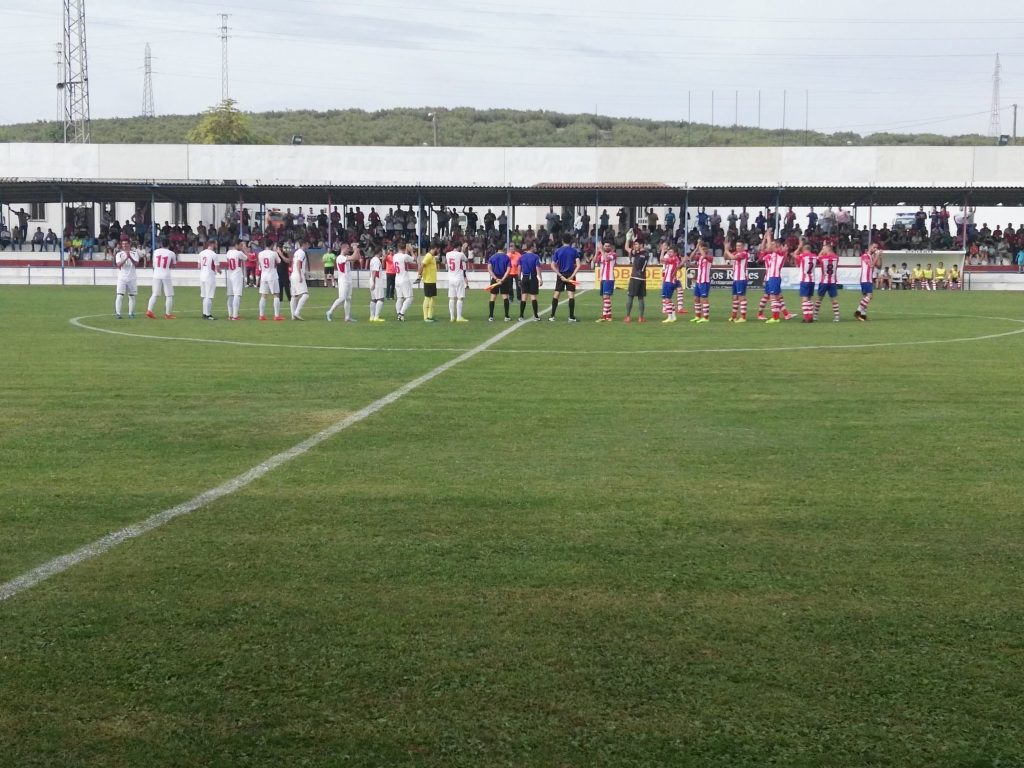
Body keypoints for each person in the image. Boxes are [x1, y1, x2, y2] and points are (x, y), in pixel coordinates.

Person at [549, 233, 581, 322]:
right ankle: (571, 316)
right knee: (571, 295)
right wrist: (572, 276)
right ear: (571, 241)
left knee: (556, 294)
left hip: (561, 275)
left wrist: (560, 275)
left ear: (562, 241)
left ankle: (552, 316)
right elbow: (578, 265)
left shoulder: (558, 251)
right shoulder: (574, 251)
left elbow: (552, 265)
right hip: (570, 274)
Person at [145, 239, 177, 319]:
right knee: (169, 295)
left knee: (155, 294)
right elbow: (173, 265)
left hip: (156, 274)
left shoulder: (156, 251)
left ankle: (149, 310)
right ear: (169, 245)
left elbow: (154, 264)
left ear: (161, 244)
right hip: (166, 274)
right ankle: (168, 314)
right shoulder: (171, 253)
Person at [327, 244, 358, 323]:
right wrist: (355, 248)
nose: (348, 250)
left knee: (348, 299)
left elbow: (357, 257)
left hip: (348, 280)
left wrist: (356, 249)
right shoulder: (340, 258)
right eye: (347, 248)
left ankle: (347, 317)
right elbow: (354, 257)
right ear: (343, 249)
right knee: (342, 298)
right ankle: (330, 312)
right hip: (343, 280)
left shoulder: (345, 257)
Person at [760, 235, 787, 324]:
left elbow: (771, 248)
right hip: (771, 277)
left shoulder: (781, 252)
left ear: (777, 245)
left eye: (773, 244)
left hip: (774, 277)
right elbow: (765, 250)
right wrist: (766, 239)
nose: (771, 246)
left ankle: (775, 318)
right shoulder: (772, 254)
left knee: (773, 297)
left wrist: (768, 237)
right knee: (775, 297)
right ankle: (780, 315)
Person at [813, 242, 840, 323]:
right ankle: (837, 316)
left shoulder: (822, 258)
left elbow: (818, 257)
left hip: (824, 281)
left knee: (819, 299)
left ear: (827, 249)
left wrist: (822, 251)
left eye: (824, 249)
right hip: (832, 282)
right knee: (834, 300)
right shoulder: (836, 258)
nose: (822, 250)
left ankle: (815, 315)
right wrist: (829, 248)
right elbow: (833, 253)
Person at [723, 238, 749, 322]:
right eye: (737, 246)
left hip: (741, 278)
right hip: (735, 278)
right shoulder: (735, 253)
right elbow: (726, 257)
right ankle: (734, 316)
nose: (738, 247)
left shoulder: (744, 253)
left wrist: (727, 250)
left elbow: (733, 258)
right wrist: (725, 248)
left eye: (739, 246)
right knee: (735, 297)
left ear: (743, 247)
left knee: (741, 297)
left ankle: (743, 317)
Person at [257, 244, 284, 321]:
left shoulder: (260, 253)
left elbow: (260, 265)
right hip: (272, 275)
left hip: (264, 276)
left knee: (263, 295)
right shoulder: (273, 253)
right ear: (271, 245)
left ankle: (261, 315)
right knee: (276, 295)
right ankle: (276, 315)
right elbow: (279, 261)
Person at [855, 243, 882, 321]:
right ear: (870, 247)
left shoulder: (871, 256)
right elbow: (871, 265)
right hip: (865, 279)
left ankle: (863, 315)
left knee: (866, 297)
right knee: (869, 296)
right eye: (874, 247)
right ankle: (858, 312)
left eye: (876, 247)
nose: (875, 249)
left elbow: (879, 266)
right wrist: (877, 255)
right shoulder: (865, 256)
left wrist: (879, 256)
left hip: (868, 279)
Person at [114, 238, 139, 319]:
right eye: (123, 244)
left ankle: (131, 313)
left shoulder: (134, 253)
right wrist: (126, 258)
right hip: (122, 278)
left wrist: (130, 257)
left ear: (129, 244)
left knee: (132, 296)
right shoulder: (119, 254)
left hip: (132, 278)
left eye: (126, 244)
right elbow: (118, 265)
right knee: (120, 296)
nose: (124, 245)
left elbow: (136, 264)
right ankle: (118, 313)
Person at [623, 243, 649, 323]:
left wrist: (627, 238)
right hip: (642, 278)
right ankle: (641, 318)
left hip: (634, 277)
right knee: (641, 298)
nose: (635, 246)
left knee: (630, 296)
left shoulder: (637, 253)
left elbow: (626, 248)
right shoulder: (646, 254)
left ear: (641, 245)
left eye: (636, 244)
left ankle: (628, 317)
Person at [486, 248, 512, 322]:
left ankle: (491, 316)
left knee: (493, 297)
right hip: (504, 279)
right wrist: (502, 279)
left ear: (496, 249)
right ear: (503, 249)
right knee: (505, 297)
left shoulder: (492, 257)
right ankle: (506, 316)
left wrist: (496, 278)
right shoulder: (507, 257)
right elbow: (508, 270)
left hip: (495, 278)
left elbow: (489, 269)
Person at [197, 239, 221, 320]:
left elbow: (198, 266)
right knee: (209, 296)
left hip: (202, 276)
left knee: (204, 296)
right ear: (213, 244)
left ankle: (204, 313)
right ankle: (208, 314)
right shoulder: (214, 255)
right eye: (216, 243)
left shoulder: (201, 253)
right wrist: (220, 271)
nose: (217, 245)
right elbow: (217, 268)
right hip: (209, 276)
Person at [446, 243, 470, 322]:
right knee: (460, 297)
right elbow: (466, 260)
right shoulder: (460, 254)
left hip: (450, 278)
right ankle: (459, 317)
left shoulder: (448, 254)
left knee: (451, 298)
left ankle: (452, 317)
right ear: (459, 247)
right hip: (458, 278)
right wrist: (463, 250)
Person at [794, 239, 817, 323]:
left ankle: (806, 317)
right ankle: (810, 316)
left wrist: (799, 246)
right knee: (810, 299)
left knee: (804, 298)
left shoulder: (803, 256)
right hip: (812, 280)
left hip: (804, 279)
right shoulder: (814, 256)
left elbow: (794, 255)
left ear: (804, 249)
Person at [224, 238, 246, 320]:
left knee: (230, 295)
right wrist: (244, 249)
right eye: (240, 244)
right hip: (237, 274)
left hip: (230, 274)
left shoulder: (229, 252)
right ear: (237, 245)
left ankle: (230, 314)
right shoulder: (239, 253)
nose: (241, 246)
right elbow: (247, 258)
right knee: (237, 294)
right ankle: (235, 315)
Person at [517, 247, 542, 321]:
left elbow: (519, 268)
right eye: (534, 247)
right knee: (533, 297)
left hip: (524, 277)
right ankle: (536, 316)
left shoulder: (522, 257)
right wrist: (540, 279)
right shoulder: (535, 257)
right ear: (531, 248)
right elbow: (537, 268)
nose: (535, 248)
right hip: (533, 277)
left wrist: (518, 279)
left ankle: (521, 316)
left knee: (524, 296)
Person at [594, 241, 617, 322]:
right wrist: (597, 252)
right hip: (603, 278)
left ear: (610, 247)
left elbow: (607, 259)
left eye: (608, 246)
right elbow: (594, 261)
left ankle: (604, 316)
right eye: (605, 246)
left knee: (605, 297)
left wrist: (601, 250)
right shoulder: (601, 255)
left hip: (609, 278)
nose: (607, 247)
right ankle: (609, 316)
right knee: (605, 298)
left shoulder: (613, 254)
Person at [690, 241, 712, 323]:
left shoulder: (709, 257)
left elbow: (705, 255)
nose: (703, 250)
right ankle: (697, 316)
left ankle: (706, 317)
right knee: (696, 298)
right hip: (698, 281)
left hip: (705, 281)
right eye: (703, 249)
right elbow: (691, 257)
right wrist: (696, 248)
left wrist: (699, 246)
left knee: (704, 299)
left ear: (707, 249)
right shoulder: (699, 257)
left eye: (705, 249)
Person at [660, 243, 682, 323]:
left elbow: (662, 259)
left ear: (675, 253)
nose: (669, 253)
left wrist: (662, 250)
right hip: (668, 280)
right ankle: (673, 316)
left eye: (671, 252)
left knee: (667, 299)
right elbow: (662, 260)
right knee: (668, 299)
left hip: (669, 281)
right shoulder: (674, 258)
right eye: (669, 252)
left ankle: (670, 317)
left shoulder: (674, 259)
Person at [393, 244, 416, 321]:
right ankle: (401, 314)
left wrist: (406, 250)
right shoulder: (404, 256)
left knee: (400, 298)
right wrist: (411, 250)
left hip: (397, 279)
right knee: (409, 298)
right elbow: (414, 259)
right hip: (404, 279)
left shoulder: (395, 256)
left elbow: (404, 257)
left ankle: (398, 313)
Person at [418, 244, 439, 322]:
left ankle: (430, 316)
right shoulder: (428, 256)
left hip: (432, 280)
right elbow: (422, 265)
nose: (438, 251)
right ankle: (425, 317)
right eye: (437, 249)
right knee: (427, 298)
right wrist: (419, 275)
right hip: (428, 280)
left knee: (432, 299)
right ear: (434, 248)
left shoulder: (432, 257)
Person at [290, 239, 310, 320]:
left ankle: (293, 315)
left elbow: (293, 263)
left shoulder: (296, 252)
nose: (308, 246)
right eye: (308, 244)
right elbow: (298, 263)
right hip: (298, 274)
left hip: (293, 274)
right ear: (304, 244)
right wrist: (300, 275)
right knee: (305, 295)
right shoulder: (302, 252)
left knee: (294, 296)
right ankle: (297, 313)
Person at [367, 247, 385, 322]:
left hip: (372, 279)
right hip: (376, 281)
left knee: (373, 299)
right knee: (380, 299)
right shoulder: (377, 260)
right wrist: (374, 283)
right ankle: (376, 317)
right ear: (379, 252)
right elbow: (375, 272)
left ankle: (372, 316)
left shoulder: (373, 260)